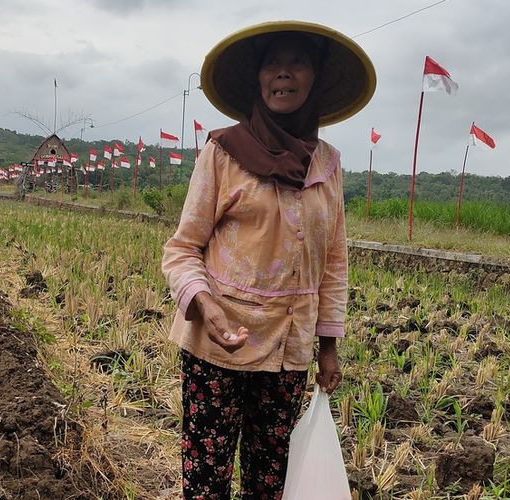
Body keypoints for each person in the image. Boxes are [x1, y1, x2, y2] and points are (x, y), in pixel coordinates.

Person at [162, 20, 376, 499]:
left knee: (270, 480)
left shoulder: (329, 163)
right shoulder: (223, 153)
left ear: (315, 77)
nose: (283, 73)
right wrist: (208, 308)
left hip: (288, 351)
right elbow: (181, 249)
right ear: (258, 79)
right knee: (206, 480)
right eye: (272, 63)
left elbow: (334, 263)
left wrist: (328, 345)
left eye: (296, 62)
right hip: (220, 345)